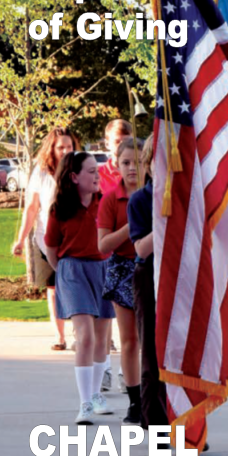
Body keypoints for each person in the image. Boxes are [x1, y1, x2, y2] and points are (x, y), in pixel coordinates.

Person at [44, 152, 115, 424]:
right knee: (84, 335)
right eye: (90, 171)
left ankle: (97, 395)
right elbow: (51, 250)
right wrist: (65, 270)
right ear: (74, 177)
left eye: (97, 171)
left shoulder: (105, 203)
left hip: (103, 269)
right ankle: (85, 402)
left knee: (102, 337)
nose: (97, 176)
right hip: (72, 270)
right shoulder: (59, 209)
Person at [12, 125, 81, 351]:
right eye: (60, 147)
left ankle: (81, 333)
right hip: (46, 240)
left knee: (77, 287)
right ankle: (59, 336)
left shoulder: (80, 168)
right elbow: (32, 208)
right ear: (51, 149)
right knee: (53, 288)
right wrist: (21, 239)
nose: (65, 150)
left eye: (69, 146)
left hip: (75, 238)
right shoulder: (41, 172)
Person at [96, 137, 142, 425]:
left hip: (152, 266)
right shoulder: (112, 199)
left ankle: (157, 395)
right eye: (126, 163)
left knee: (155, 339)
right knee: (129, 340)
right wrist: (130, 226)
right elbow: (103, 244)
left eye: (137, 162)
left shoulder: (156, 194)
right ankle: (135, 401)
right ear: (117, 165)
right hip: (123, 269)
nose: (132, 168)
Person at [126, 136, 166, 430]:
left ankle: (187, 421)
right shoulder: (141, 200)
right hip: (149, 275)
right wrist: (166, 218)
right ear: (149, 166)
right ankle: (155, 422)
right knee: (152, 352)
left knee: (183, 350)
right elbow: (140, 248)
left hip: (181, 273)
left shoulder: (190, 198)